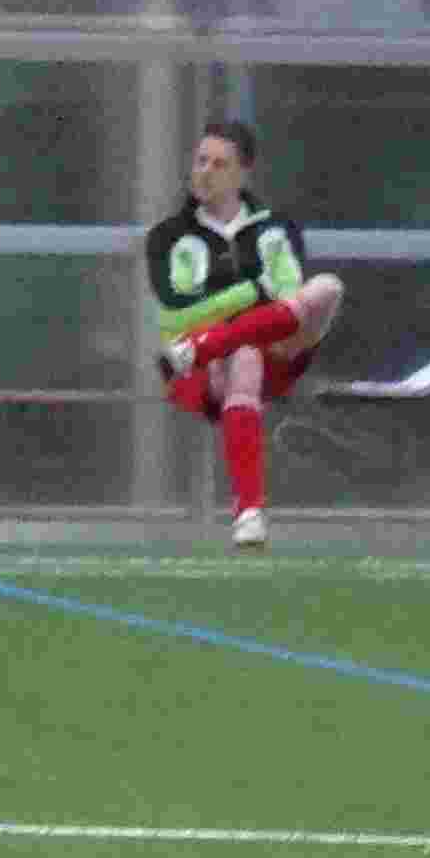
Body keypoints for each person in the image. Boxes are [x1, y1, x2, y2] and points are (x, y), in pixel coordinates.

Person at [141, 115, 342, 548]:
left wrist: (236, 314)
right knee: (245, 356)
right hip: (202, 369)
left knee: (328, 287)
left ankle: (208, 346)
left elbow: (290, 298)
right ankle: (250, 512)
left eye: (219, 164)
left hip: (273, 346)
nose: (205, 172)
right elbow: (175, 316)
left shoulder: (276, 228)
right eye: (200, 161)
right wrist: (251, 292)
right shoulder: (168, 236)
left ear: (242, 172)